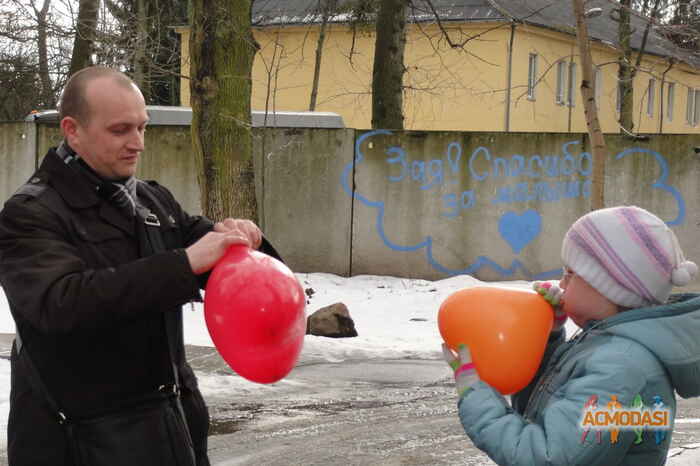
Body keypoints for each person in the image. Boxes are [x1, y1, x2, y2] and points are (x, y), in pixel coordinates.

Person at [0, 66, 279, 465]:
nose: (138, 143)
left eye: (142, 128)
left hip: (170, 432)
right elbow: (60, 304)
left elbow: (233, 268)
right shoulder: (30, 213)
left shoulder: (152, 202)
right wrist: (184, 263)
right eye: (120, 130)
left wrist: (246, 242)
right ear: (72, 130)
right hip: (81, 442)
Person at [442, 205, 700, 465]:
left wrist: (476, 397)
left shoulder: (621, 368)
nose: (562, 284)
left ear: (609, 288)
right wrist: (546, 337)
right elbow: (547, 414)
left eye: (570, 274)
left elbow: (548, 458)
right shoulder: (606, 346)